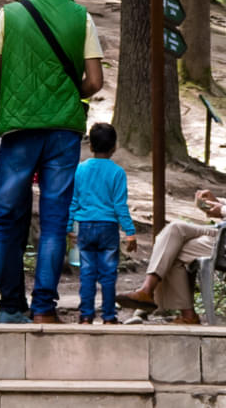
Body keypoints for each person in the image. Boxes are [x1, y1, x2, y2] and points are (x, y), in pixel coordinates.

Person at [0, 0, 101, 325]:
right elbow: (96, 82)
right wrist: (69, 95)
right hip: (64, 133)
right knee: (55, 221)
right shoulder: (82, 17)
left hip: (20, 130)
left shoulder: (8, 15)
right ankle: (43, 308)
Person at [122, 128, 226, 325]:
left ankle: (177, 309)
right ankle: (148, 292)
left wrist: (223, 211)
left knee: (173, 250)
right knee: (174, 230)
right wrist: (217, 204)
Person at [71, 122, 141, 324]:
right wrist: (130, 232)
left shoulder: (80, 170)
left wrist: (69, 227)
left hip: (85, 227)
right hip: (108, 228)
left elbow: (74, 201)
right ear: (114, 147)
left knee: (87, 273)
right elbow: (120, 205)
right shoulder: (118, 173)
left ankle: (86, 315)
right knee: (108, 274)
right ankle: (109, 317)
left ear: (90, 146)